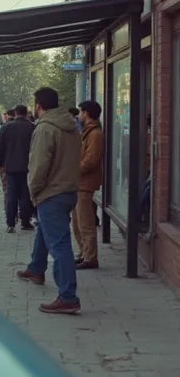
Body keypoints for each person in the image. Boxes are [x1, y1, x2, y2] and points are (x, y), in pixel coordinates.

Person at [17, 87, 81, 315]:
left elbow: (39, 165)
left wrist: (33, 191)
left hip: (50, 192)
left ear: (38, 106)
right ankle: (36, 268)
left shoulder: (45, 128)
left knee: (60, 244)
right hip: (67, 190)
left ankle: (68, 296)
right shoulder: (72, 126)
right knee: (44, 230)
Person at [72, 100, 103, 269]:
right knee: (77, 221)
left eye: (81, 112)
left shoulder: (95, 133)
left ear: (87, 113)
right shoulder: (87, 131)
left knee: (85, 222)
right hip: (79, 182)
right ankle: (84, 252)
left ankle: (90, 257)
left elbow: (91, 160)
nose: (79, 115)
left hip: (85, 182)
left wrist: (75, 170)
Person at [0, 104, 34, 231]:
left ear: (15, 113)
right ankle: (25, 221)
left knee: (11, 195)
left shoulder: (6, 127)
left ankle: (10, 223)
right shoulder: (32, 127)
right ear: (26, 113)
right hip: (28, 166)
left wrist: (0, 163)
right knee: (25, 195)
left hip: (10, 166)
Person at [0, 108, 16, 206]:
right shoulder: (29, 126)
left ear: (7, 116)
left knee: (7, 188)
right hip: (24, 165)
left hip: (6, 164)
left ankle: (9, 212)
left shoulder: (3, 127)